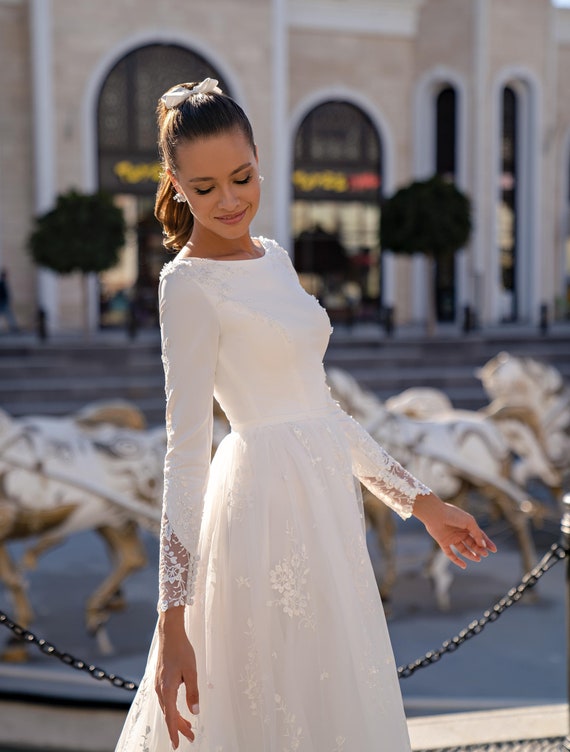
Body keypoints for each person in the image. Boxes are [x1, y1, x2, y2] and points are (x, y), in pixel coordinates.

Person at [115, 78, 496, 752]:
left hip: (325, 511)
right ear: (174, 183)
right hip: (256, 514)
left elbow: (321, 411)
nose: (229, 200)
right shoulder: (186, 286)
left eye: (242, 176)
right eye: (205, 189)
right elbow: (183, 453)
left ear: (260, 158)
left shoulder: (276, 259)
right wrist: (172, 624)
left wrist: (423, 503)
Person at [0, 269, 19, 333]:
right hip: (3, 302)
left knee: (9, 315)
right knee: (9, 315)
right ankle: (13, 327)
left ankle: (13, 327)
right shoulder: (2, 283)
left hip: (3, 302)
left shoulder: (3, 283)